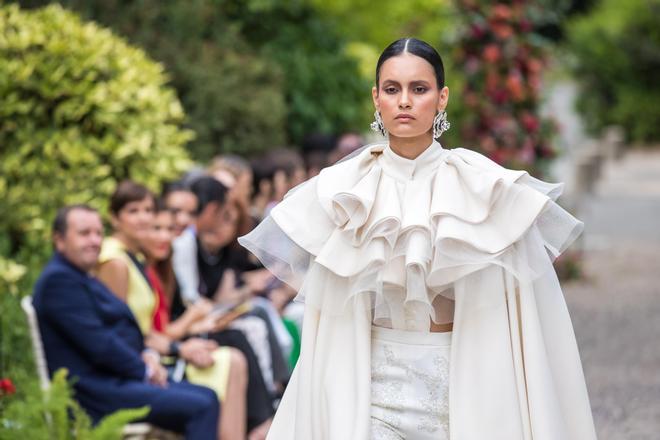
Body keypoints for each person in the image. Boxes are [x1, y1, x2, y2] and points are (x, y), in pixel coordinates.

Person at [239, 38, 598, 439]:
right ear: (376, 98)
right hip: (368, 394)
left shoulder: (482, 189)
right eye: (392, 89)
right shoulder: (343, 194)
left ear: (442, 98)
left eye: (419, 89)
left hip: (462, 391)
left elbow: (518, 313)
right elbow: (329, 318)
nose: (405, 101)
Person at [33, 204, 219, 439]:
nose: (94, 240)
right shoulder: (59, 281)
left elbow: (113, 332)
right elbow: (99, 344)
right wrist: (144, 370)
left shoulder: (78, 275)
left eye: (98, 233)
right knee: (200, 406)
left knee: (208, 396)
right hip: (93, 392)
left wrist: (147, 356)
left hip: (116, 379)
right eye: (84, 233)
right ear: (59, 240)